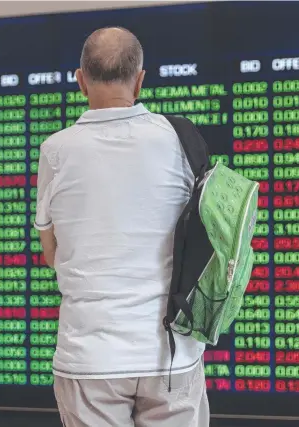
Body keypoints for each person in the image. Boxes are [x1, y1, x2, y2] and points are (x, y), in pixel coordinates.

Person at [34, 27, 209, 427]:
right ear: (141, 79)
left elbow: (51, 254)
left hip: (89, 359)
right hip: (171, 354)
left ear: (80, 81)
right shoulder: (178, 139)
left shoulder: (56, 150)